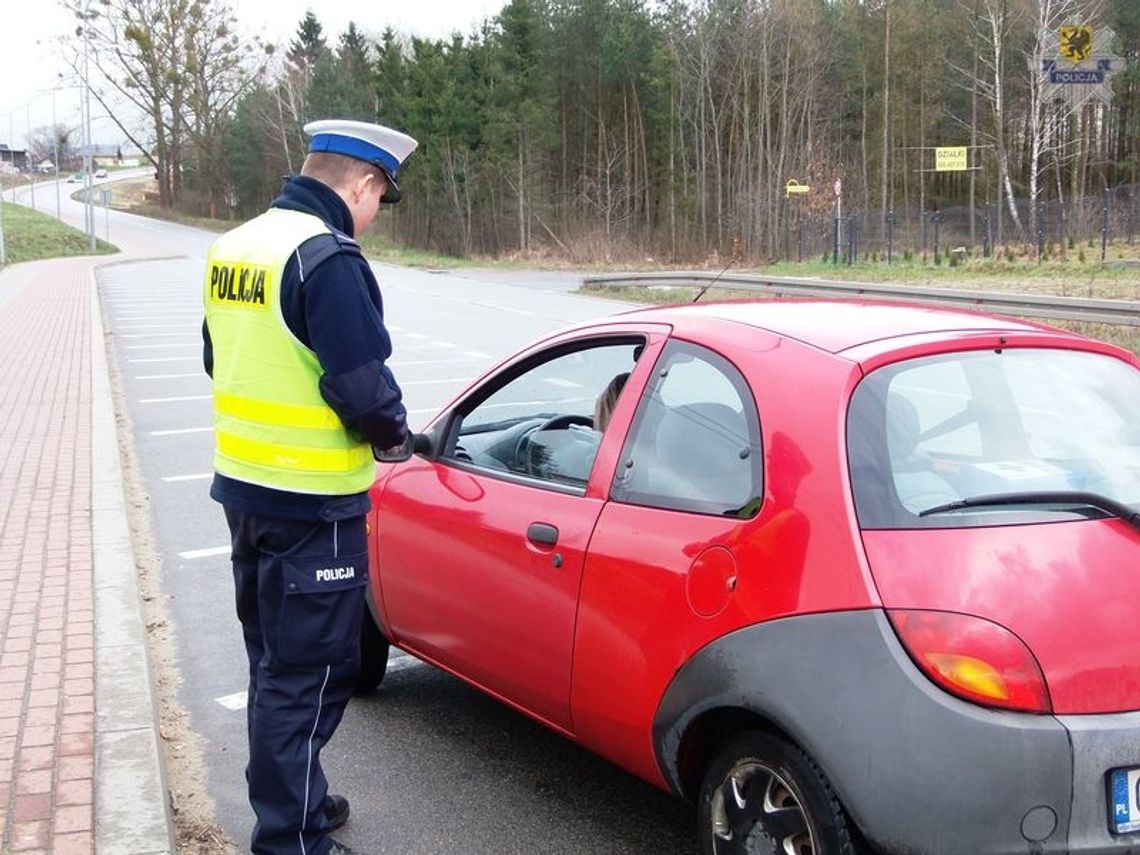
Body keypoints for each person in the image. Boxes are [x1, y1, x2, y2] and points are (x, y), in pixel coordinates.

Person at [201, 118, 417, 855]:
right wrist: (396, 435)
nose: (373, 217)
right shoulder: (326, 258)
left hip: (244, 495)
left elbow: (216, 358)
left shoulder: (236, 248)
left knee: (275, 665)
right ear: (363, 184)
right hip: (313, 508)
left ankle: (304, 802)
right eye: (379, 200)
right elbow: (362, 388)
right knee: (311, 677)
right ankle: (288, 839)